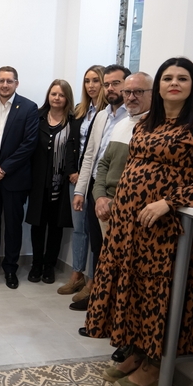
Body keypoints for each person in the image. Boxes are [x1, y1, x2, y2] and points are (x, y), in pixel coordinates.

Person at [85, 58, 193, 386]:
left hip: (166, 229)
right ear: (159, 86)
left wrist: (169, 202)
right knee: (134, 290)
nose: (174, 83)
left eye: (182, 78)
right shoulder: (148, 123)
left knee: (157, 295)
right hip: (130, 225)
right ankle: (136, 352)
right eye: (168, 78)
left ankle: (154, 364)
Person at [70, 64, 130, 310]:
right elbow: (90, 155)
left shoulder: (134, 117)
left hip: (118, 191)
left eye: (116, 83)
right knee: (97, 245)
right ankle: (96, 295)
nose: (110, 88)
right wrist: (80, 190)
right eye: (108, 84)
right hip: (96, 186)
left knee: (113, 248)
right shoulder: (103, 115)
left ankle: (105, 298)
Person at [0, 66, 39, 289]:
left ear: (16, 84)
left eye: (9, 81)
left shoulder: (29, 108)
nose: (5, 85)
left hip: (14, 179)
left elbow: (29, 144)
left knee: (13, 226)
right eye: (1, 81)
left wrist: (3, 168)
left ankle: (10, 268)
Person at [58, 65, 106, 296]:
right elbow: (71, 143)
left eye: (96, 80)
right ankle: (76, 274)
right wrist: (72, 171)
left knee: (96, 232)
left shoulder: (108, 112)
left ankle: (93, 280)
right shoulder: (80, 110)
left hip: (97, 178)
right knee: (79, 229)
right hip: (77, 177)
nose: (91, 85)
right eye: (87, 81)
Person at [24, 80, 75, 285]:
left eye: (61, 95)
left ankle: (49, 266)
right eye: (53, 94)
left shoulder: (73, 121)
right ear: (48, 96)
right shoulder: (37, 117)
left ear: (67, 98)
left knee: (56, 227)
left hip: (60, 184)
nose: (57, 98)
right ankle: (36, 264)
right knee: (37, 225)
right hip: (38, 181)